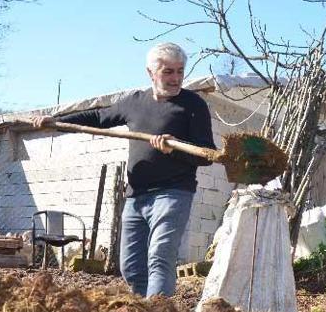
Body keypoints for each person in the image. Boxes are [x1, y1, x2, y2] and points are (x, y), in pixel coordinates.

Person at [33, 42, 215, 297]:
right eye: (168, 72)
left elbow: (207, 155)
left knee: (160, 257)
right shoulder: (135, 102)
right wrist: (58, 122)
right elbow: (98, 118)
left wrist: (174, 148)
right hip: (136, 194)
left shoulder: (193, 105)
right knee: (130, 266)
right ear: (150, 73)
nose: (175, 78)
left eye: (180, 71)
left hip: (173, 193)